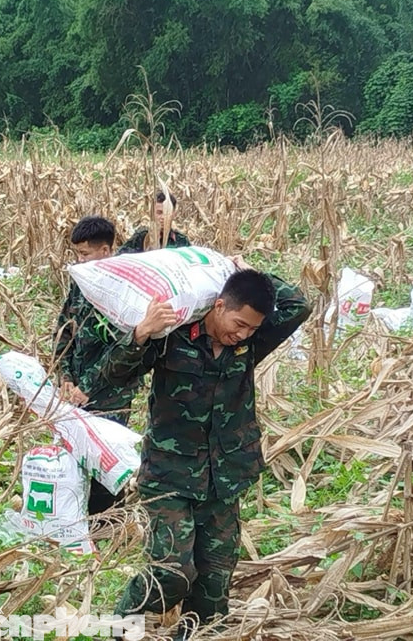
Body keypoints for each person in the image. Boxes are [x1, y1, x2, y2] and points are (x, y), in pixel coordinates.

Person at [102, 258, 311, 639]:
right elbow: (114, 373)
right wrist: (140, 334)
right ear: (218, 306)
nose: (243, 334)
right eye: (239, 323)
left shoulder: (250, 344)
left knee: (214, 583)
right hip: (169, 475)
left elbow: (299, 305)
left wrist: (254, 272)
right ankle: (118, 626)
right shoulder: (173, 335)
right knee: (171, 573)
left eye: (252, 328)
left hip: (225, 476)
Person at [54, 215, 141, 515]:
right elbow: (65, 327)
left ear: (105, 251)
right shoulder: (81, 282)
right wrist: (65, 375)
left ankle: (106, 523)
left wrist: (88, 387)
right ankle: (74, 516)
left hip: (111, 390)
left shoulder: (124, 291)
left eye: (85, 254)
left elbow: (124, 349)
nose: (79, 260)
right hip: (76, 386)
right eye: (76, 254)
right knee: (74, 453)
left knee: (107, 458)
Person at [118, 191, 191, 254]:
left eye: (167, 212)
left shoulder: (182, 241)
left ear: (174, 214)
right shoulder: (141, 237)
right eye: (159, 213)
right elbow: (121, 258)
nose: (162, 217)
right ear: (153, 213)